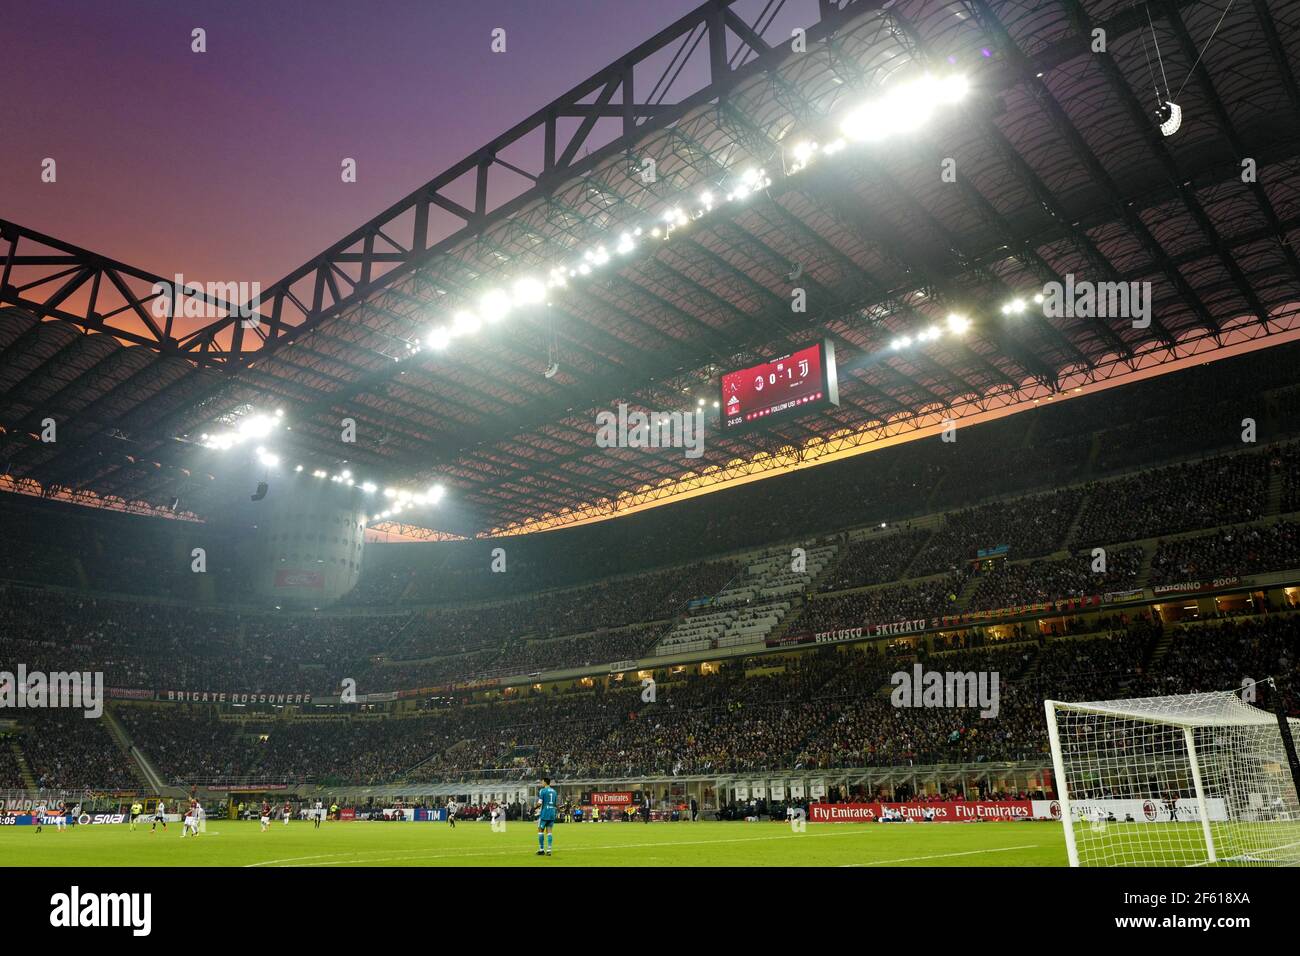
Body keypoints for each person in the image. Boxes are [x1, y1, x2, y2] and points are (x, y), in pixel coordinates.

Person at [535, 777, 558, 856]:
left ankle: (541, 850)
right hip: (552, 812)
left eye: (542, 781)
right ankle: (549, 850)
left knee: (540, 830)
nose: (541, 783)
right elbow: (555, 803)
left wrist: (534, 808)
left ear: (545, 782)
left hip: (545, 813)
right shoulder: (554, 791)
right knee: (549, 831)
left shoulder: (543, 791)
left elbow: (540, 803)